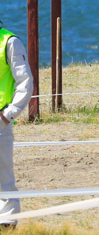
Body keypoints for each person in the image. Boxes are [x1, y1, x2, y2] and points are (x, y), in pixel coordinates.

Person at [0, 23, 32, 225]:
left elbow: (25, 82)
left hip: (0, 120)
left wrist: (7, 116)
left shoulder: (10, 42)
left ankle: (7, 222)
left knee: (3, 178)